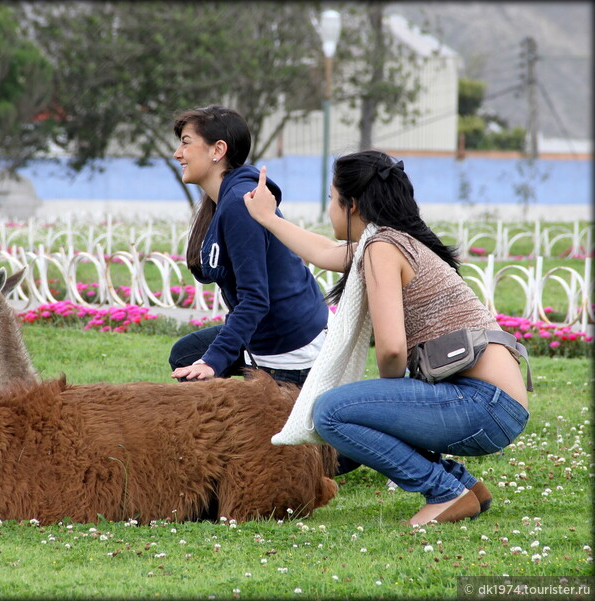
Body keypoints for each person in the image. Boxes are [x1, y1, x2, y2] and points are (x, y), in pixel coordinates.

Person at [243, 150, 530, 527]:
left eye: (332, 199)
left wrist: (388, 404)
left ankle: (444, 492)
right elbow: (325, 251)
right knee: (360, 407)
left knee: (330, 412)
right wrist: (268, 217)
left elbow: (392, 349)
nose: (330, 208)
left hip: (482, 404)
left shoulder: (382, 248)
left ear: (353, 204)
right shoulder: (390, 241)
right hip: (496, 403)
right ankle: (462, 486)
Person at [167, 105, 328, 387]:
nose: (177, 153)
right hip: (267, 331)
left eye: (185, 142)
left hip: (289, 348)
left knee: (198, 366)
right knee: (185, 355)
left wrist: (212, 362)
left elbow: (255, 299)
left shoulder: (239, 205)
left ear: (218, 150)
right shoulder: (223, 200)